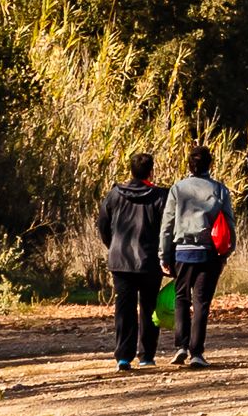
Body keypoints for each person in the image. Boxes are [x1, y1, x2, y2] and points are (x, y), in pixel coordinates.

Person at [157, 143, 236, 367]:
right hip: (209, 253)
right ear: (210, 164)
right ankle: (197, 353)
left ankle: (181, 345)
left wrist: (164, 254)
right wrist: (227, 252)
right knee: (202, 302)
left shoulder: (178, 189)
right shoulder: (219, 190)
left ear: (189, 165)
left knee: (182, 298)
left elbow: (167, 224)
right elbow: (229, 223)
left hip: (182, 252)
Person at [94, 150, 167, 370]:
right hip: (149, 261)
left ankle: (123, 356)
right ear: (151, 171)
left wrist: (112, 244)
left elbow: (103, 224)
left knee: (124, 309)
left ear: (131, 170)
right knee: (149, 307)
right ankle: (146, 355)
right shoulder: (160, 196)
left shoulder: (115, 194)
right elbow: (167, 229)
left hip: (121, 259)